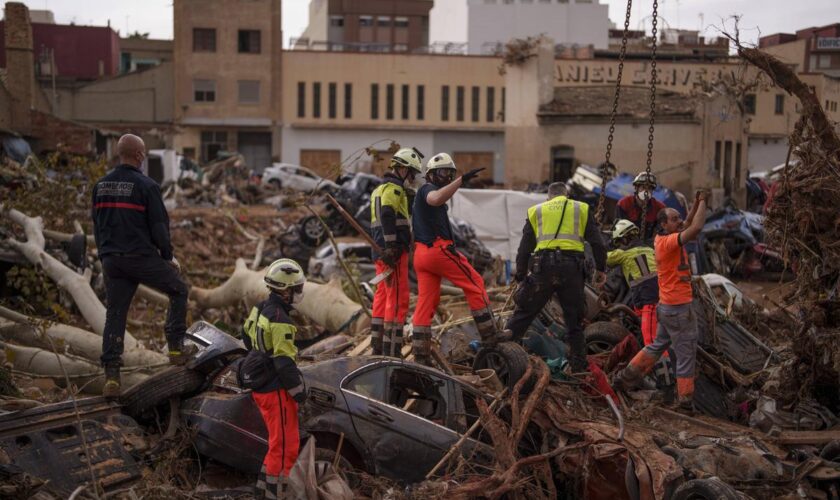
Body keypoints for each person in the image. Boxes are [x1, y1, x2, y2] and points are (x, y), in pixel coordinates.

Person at [92, 134, 190, 398]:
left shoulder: (100, 186)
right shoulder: (146, 185)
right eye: (143, 153)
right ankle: (176, 347)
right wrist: (168, 256)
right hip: (140, 258)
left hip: (112, 260)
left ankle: (112, 376)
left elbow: (97, 225)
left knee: (115, 315)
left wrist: (104, 256)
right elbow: (159, 227)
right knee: (178, 289)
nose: (144, 157)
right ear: (138, 156)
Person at [614, 190, 709, 411]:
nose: (680, 222)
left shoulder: (664, 237)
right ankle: (685, 402)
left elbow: (687, 223)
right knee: (686, 354)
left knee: (656, 346)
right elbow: (696, 228)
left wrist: (694, 203)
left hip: (666, 307)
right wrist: (704, 202)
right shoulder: (668, 244)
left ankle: (624, 378)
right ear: (664, 224)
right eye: (674, 219)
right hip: (678, 309)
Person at [505, 182, 607, 373]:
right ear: (566, 195)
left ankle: (502, 353)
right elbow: (597, 243)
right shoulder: (581, 208)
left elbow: (524, 248)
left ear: (549, 197)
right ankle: (578, 367)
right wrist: (601, 269)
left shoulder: (537, 210)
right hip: (572, 269)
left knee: (524, 312)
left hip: (543, 268)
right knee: (574, 321)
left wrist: (520, 276)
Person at [411, 153, 498, 366]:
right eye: (442, 172)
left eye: (450, 173)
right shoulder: (427, 190)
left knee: (426, 301)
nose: (446, 177)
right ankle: (491, 336)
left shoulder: (427, 191)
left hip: (422, 254)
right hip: (438, 250)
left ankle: (420, 354)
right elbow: (436, 198)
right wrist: (461, 180)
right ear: (430, 174)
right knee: (476, 283)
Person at [241, 259, 307, 499]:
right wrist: (299, 392)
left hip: (261, 385)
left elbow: (245, 337)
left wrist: (262, 350)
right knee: (285, 449)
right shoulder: (281, 320)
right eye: (297, 288)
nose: (300, 292)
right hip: (275, 389)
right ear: (286, 290)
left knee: (276, 445)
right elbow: (284, 363)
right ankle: (275, 495)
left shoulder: (260, 308)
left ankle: (262, 492)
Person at [370, 148, 423, 357]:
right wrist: (392, 246)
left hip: (379, 251)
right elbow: (387, 213)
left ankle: (377, 344)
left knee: (382, 296)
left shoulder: (379, 188)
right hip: (392, 252)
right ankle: (392, 349)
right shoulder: (394, 188)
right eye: (410, 173)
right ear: (401, 169)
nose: (411, 178)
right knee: (399, 297)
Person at [606, 220, 659, 346]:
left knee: (651, 342)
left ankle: (661, 365)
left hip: (648, 301)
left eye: (618, 242)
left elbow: (605, 258)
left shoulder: (622, 254)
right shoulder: (650, 250)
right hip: (661, 297)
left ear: (624, 239)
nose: (618, 245)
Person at [616, 172, 666, 241]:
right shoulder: (624, 204)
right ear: (636, 188)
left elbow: (660, 232)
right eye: (643, 187)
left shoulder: (659, 207)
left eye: (650, 188)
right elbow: (621, 231)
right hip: (627, 243)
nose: (646, 191)